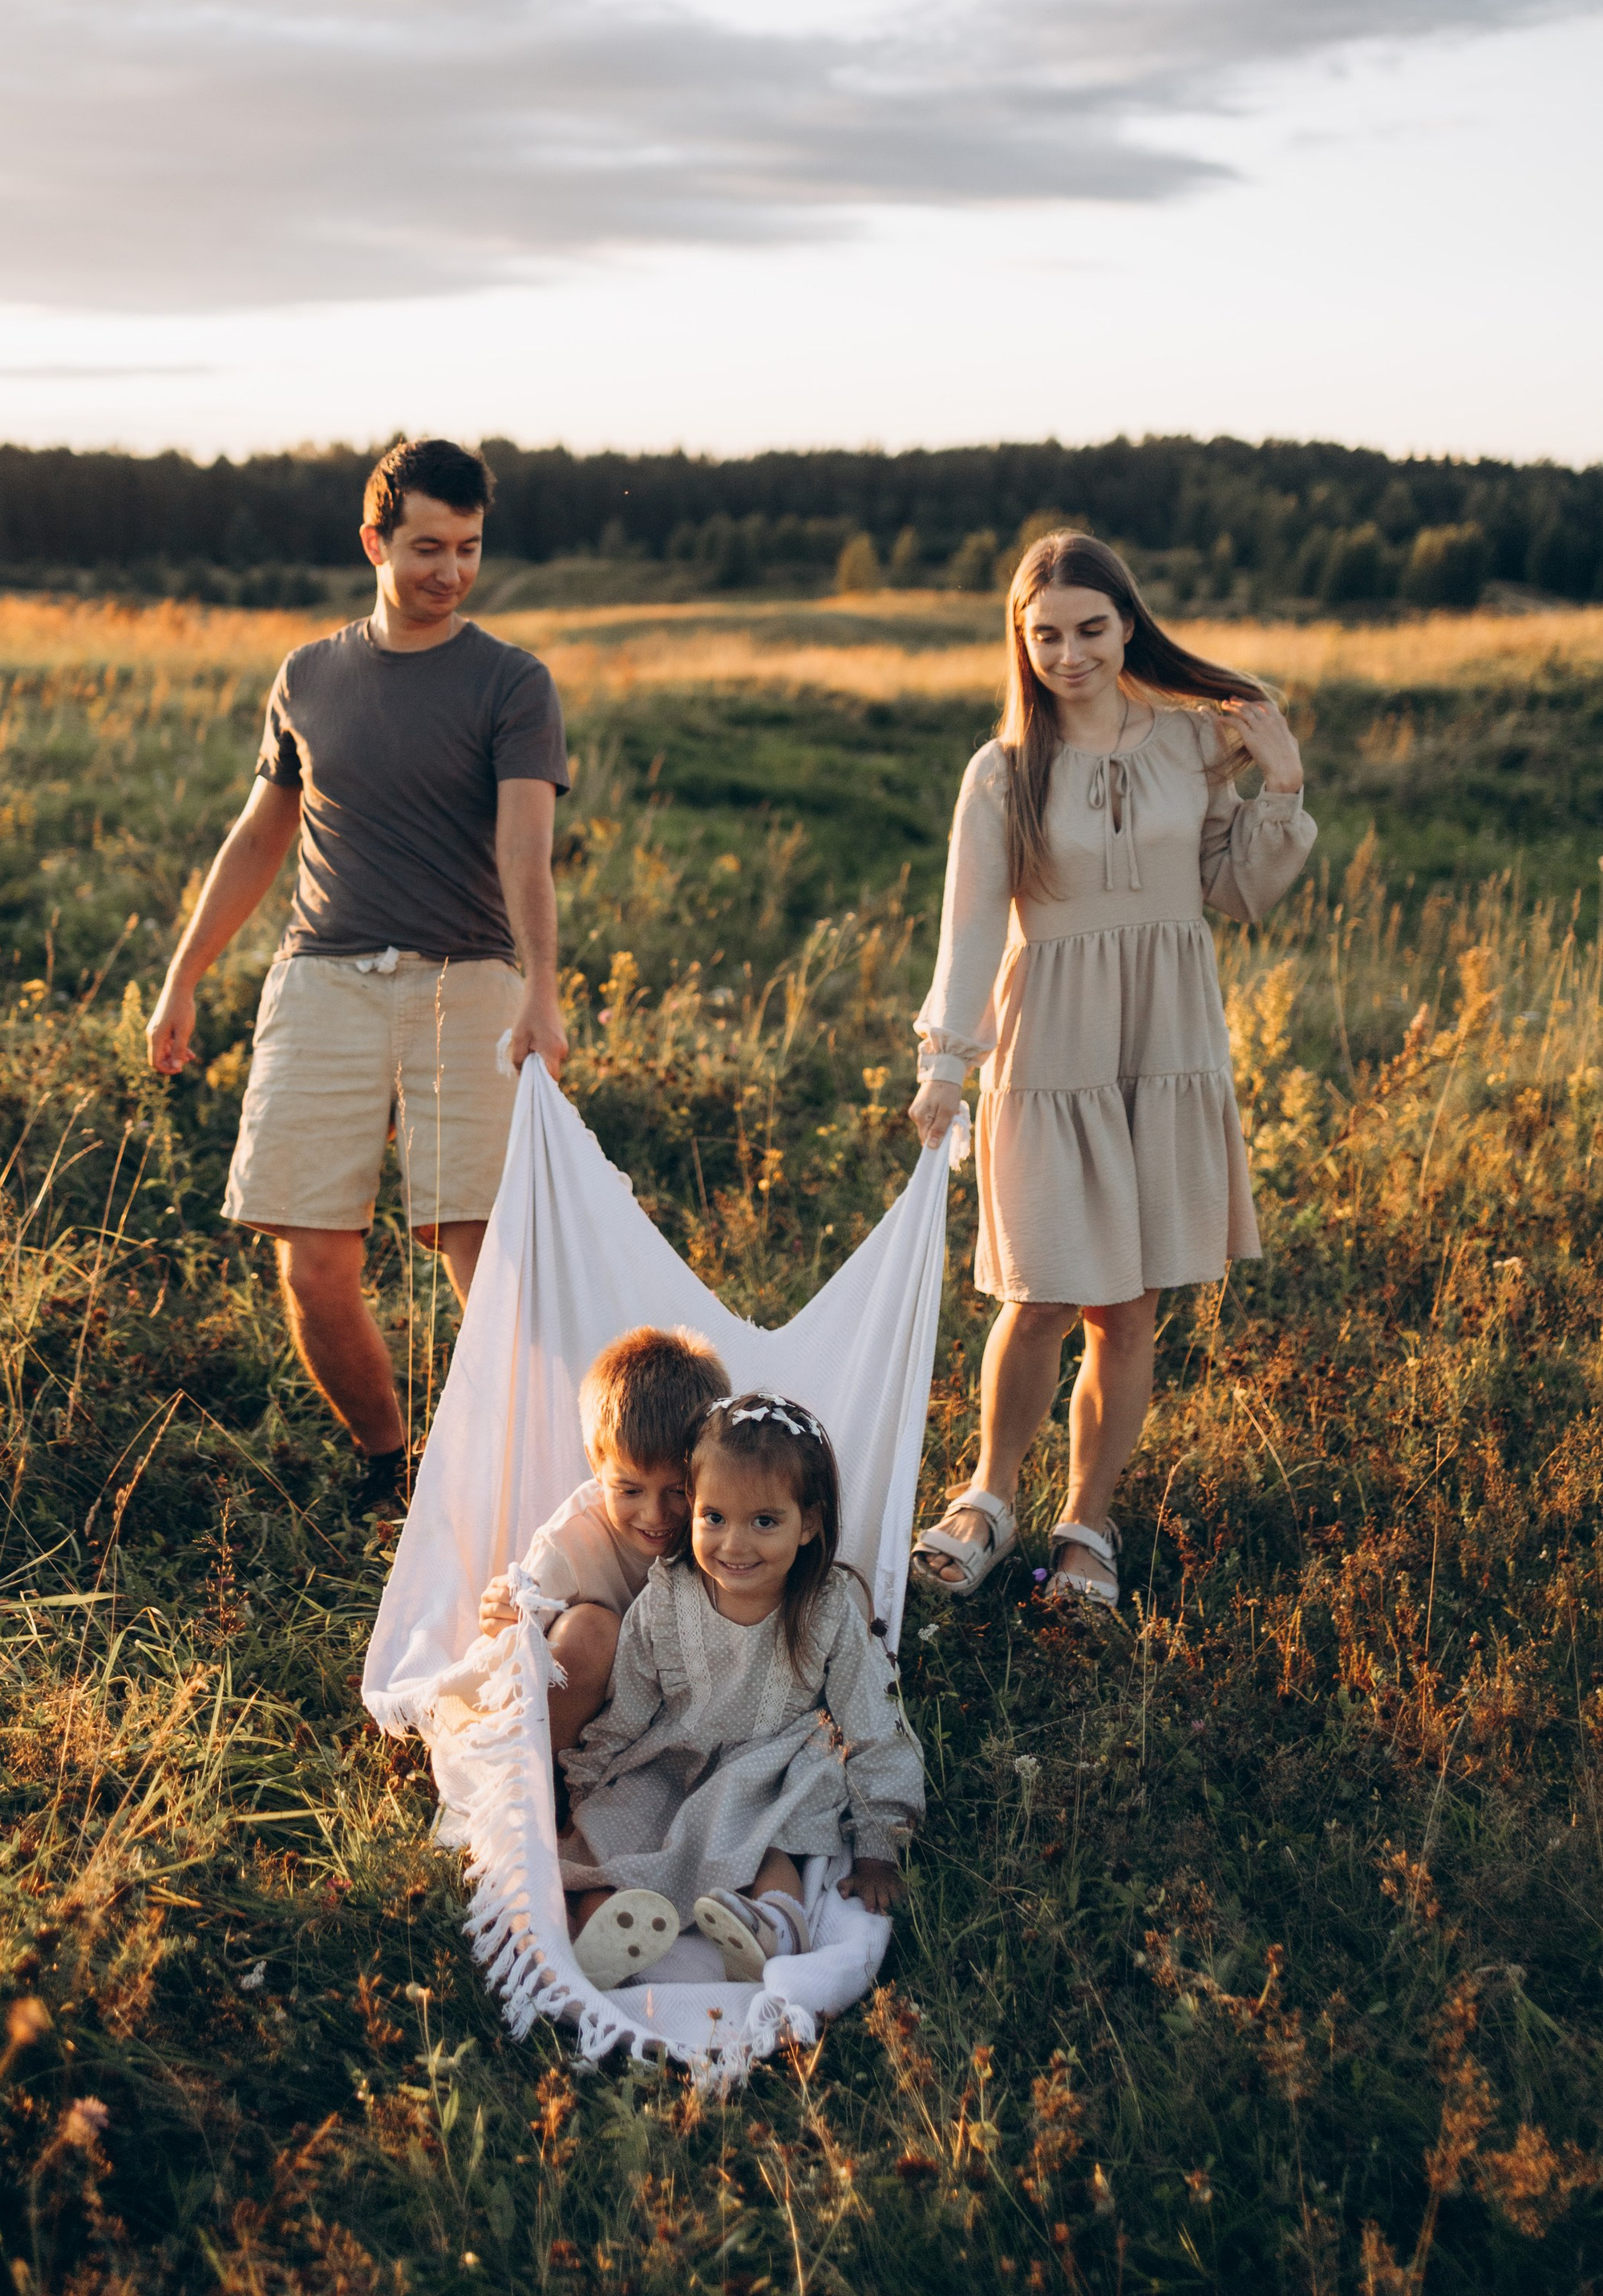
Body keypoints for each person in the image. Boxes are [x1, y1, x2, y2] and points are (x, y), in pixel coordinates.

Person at [147, 436, 569, 1511]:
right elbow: (260, 836)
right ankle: (392, 1467)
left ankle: (524, 1483)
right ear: (374, 539)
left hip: (465, 981)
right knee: (313, 1268)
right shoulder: (308, 676)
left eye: (469, 549)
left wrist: (541, 990)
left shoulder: (513, 683)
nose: (451, 571)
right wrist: (185, 975)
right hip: (322, 981)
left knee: (480, 1260)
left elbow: (527, 845)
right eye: (428, 547)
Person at [907, 530, 1315, 1611]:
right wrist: (947, 1061)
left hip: (1166, 1036)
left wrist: (1282, 786)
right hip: (1050, 1043)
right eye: (1045, 635)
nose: (1069, 653)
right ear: (1021, 641)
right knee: (1041, 1293)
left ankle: (1087, 1525)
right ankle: (989, 1499)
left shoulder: (1192, 745)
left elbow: (1238, 891)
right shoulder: (1002, 769)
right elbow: (966, 930)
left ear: (1128, 623)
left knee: (1127, 1308)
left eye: (1090, 629)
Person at [556, 1393, 925, 1995]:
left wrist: (879, 1844)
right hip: (673, 1755)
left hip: (772, 1764)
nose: (734, 1544)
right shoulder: (668, 1599)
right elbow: (627, 1706)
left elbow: (872, 1723)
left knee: (767, 1843)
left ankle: (770, 1926)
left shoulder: (826, 1610)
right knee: (607, 1830)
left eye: (765, 1522)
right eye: (715, 1518)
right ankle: (607, 1930)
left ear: (809, 1522)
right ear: (693, 1511)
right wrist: (586, 1779)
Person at [477, 1325, 731, 1756]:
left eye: (678, 1490)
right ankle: (551, 1776)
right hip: (590, 1703)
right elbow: (513, 1649)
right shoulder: (570, 1541)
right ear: (596, 1465)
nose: (655, 1516)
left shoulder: (722, 1521)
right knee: (589, 1630)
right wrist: (501, 1616)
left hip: (682, 1707)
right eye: (630, 1491)